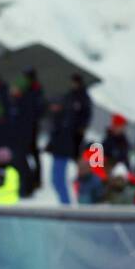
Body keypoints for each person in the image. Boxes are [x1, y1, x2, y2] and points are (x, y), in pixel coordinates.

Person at [46, 73, 92, 204]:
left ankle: (66, 205)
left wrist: (77, 141)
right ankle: (65, 204)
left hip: (68, 146)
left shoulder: (82, 100)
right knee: (56, 180)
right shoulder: (68, 98)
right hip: (61, 145)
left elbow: (83, 122)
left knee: (59, 179)